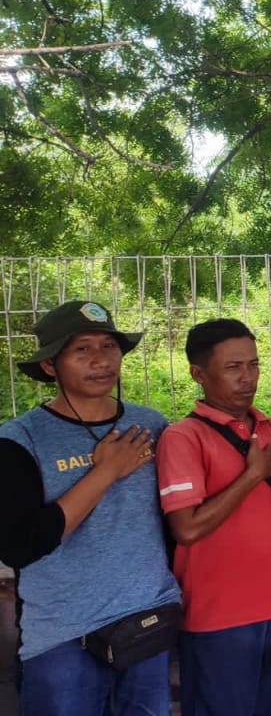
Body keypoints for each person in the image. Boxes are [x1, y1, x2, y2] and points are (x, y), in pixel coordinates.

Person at [0, 300, 182, 715]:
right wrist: (105, 473)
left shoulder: (150, 425)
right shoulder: (19, 440)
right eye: (82, 349)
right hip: (63, 637)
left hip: (145, 624)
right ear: (49, 366)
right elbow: (20, 546)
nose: (101, 360)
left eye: (109, 346)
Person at [157, 318, 271, 716]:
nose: (247, 378)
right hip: (218, 619)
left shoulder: (267, 426)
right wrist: (252, 475)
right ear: (199, 374)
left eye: (252, 365)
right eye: (233, 368)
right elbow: (187, 528)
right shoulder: (183, 438)